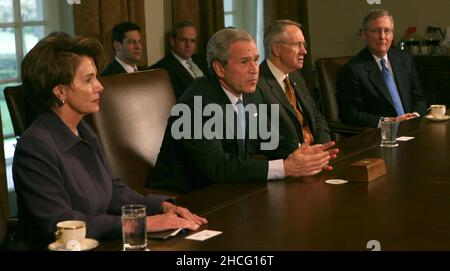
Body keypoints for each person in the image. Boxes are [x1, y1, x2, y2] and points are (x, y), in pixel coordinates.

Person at [13, 35, 207, 250]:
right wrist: (140, 223)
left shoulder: (83, 129)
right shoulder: (35, 146)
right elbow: (60, 223)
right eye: (88, 80)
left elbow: (113, 191)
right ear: (60, 91)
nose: (100, 86)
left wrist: (161, 206)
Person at [148, 28, 339, 193]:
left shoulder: (251, 94)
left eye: (256, 60)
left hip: (229, 190)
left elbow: (269, 141)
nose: (254, 69)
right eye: (244, 62)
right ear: (219, 68)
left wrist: (303, 155)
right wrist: (285, 167)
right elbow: (217, 166)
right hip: (185, 197)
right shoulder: (195, 104)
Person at [336, 9, 426, 128]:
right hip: (382, 135)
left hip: (412, 128)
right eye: (376, 31)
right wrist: (390, 121)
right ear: (364, 34)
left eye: (387, 31)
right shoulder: (353, 70)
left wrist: (414, 116)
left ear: (392, 34)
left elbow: (418, 98)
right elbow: (350, 114)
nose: (382, 37)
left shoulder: (405, 59)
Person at [258, 20, 330, 149]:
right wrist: (303, 152)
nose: (304, 51)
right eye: (297, 45)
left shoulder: (296, 75)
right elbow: (266, 136)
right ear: (276, 49)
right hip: (290, 158)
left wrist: (322, 146)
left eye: (304, 44)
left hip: (316, 154)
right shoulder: (257, 83)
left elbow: (317, 117)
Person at [150, 21, 208, 98]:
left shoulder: (203, 60)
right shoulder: (163, 68)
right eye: (184, 40)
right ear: (172, 41)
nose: (188, 45)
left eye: (192, 41)